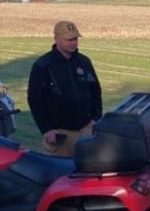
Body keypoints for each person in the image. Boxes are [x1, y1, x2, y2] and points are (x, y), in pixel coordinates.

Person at [26, 20, 102, 157]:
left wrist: (96, 118)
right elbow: (35, 100)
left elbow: (95, 91)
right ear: (57, 39)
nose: (74, 42)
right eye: (69, 39)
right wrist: (46, 130)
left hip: (86, 132)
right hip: (60, 136)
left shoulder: (84, 62)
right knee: (60, 176)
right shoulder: (43, 66)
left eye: (76, 39)